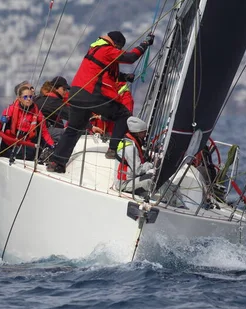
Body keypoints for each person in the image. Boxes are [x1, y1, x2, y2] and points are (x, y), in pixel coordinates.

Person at [47, 30, 155, 173]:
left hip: (77, 94)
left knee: (73, 129)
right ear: (116, 44)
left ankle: (56, 163)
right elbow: (131, 57)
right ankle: (112, 148)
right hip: (93, 94)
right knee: (123, 115)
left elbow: (103, 73)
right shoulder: (107, 50)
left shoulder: (95, 49)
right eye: (119, 48)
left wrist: (125, 77)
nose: (119, 51)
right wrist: (145, 44)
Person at [114, 116, 155, 196]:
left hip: (132, 179)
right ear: (138, 133)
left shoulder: (130, 142)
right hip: (124, 184)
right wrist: (152, 165)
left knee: (155, 176)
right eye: (144, 132)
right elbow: (138, 170)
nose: (145, 134)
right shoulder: (130, 148)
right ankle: (175, 203)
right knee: (153, 180)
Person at [34, 76, 70, 143]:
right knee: (68, 134)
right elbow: (69, 115)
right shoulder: (52, 101)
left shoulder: (43, 97)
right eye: (64, 89)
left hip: (40, 130)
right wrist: (90, 127)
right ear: (56, 88)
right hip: (40, 131)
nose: (65, 92)